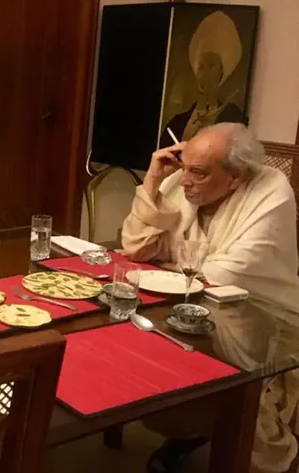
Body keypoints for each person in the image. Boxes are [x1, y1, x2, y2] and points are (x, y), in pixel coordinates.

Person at [121, 122, 299, 472]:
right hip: (191, 304)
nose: (184, 179)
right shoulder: (178, 180)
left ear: (236, 176)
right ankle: (190, 431)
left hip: (264, 315)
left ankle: (276, 460)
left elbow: (225, 275)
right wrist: (153, 182)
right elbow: (136, 248)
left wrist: (170, 264)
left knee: (236, 389)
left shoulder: (271, 189)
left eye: (198, 173)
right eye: (183, 166)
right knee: (143, 351)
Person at [159, 10, 246, 148]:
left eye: (211, 66)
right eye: (201, 67)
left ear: (221, 73)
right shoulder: (177, 122)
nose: (204, 74)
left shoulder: (230, 119)